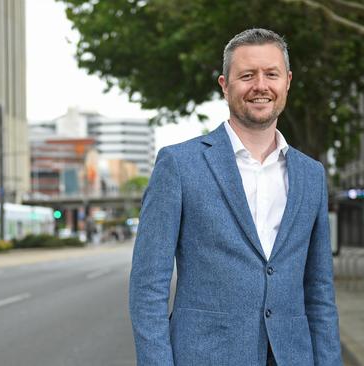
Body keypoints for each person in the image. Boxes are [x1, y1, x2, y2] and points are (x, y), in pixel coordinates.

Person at [128, 28, 341, 366]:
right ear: (225, 86)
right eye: (247, 75)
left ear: (287, 81)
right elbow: (147, 288)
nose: (261, 85)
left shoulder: (311, 174)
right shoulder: (178, 165)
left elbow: (319, 293)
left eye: (271, 74)